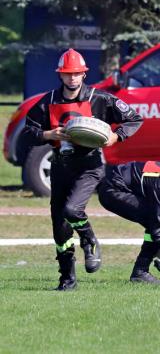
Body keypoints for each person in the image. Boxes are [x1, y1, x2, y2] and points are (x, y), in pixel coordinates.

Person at [23, 48, 143, 291]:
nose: (72, 78)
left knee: (72, 209)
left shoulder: (100, 99)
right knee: (60, 226)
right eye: (68, 73)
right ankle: (67, 279)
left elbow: (134, 119)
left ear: (84, 74)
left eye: (77, 73)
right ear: (60, 75)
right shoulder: (48, 101)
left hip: (90, 165)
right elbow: (29, 130)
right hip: (60, 166)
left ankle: (89, 241)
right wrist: (48, 134)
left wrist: (115, 137)